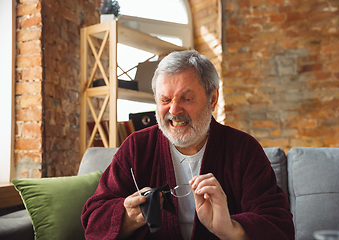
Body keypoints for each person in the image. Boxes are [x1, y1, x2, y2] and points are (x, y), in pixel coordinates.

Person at [81, 50, 295, 240]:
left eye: (187, 99)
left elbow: (279, 225)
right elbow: (93, 220)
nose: (174, 110)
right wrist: (129, 216)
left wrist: (230, 229)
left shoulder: (243, 149)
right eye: (165, 100)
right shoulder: (137, 147)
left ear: (212, 99)